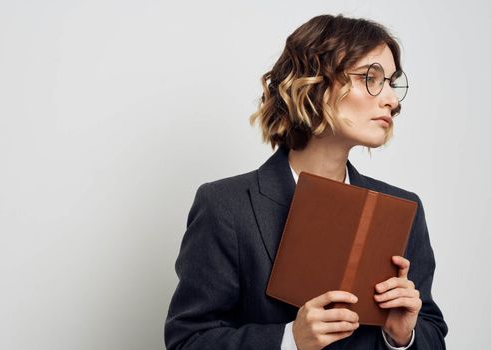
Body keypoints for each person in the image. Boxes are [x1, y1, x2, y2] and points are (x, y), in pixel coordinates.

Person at [164, 14, 448, 350]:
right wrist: (288, 340)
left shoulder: (403, 210)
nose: (392, 101)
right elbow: (188, 340)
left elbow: (431, 330)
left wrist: (401, 337)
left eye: (392, 83)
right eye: (371, 78)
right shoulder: (226, 205)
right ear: (315, 83)